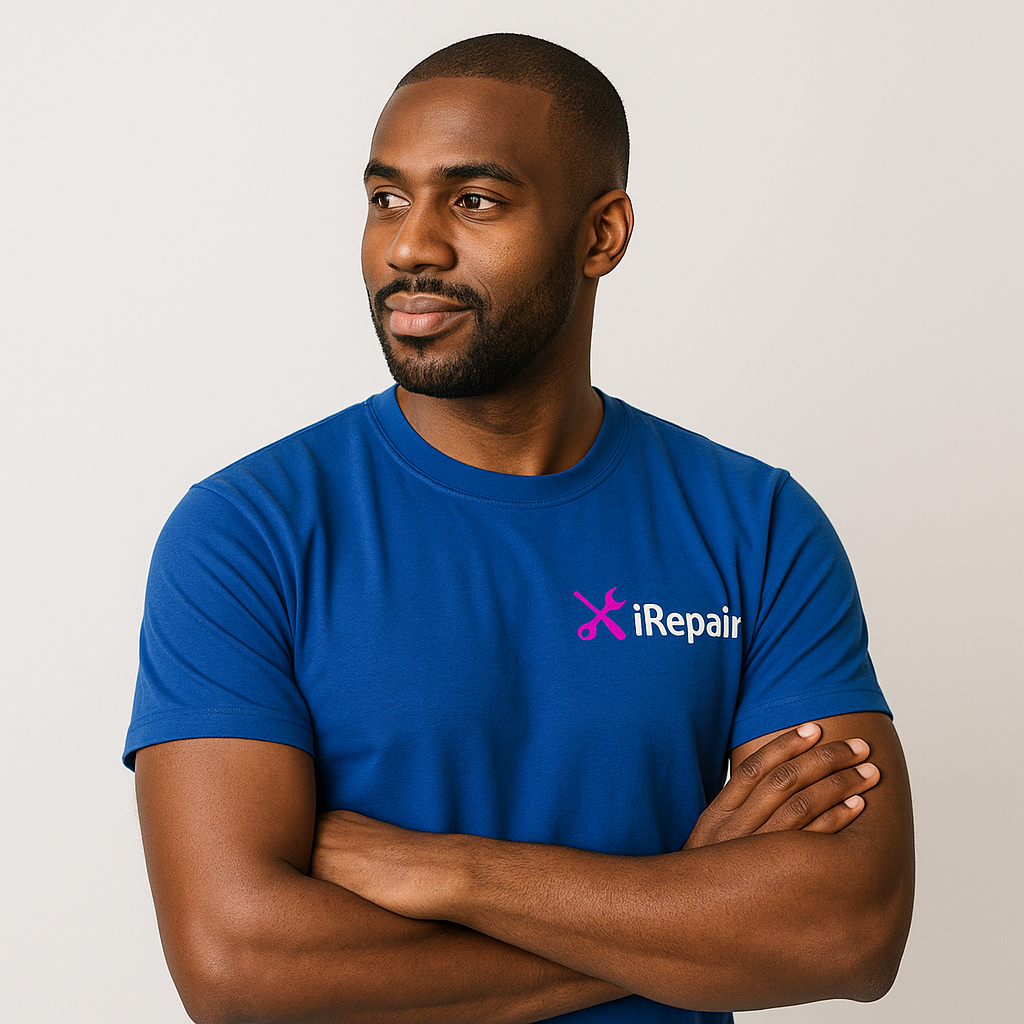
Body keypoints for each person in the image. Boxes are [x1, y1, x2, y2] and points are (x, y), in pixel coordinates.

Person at [125, 33, 914, 1024]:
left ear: (602, 235)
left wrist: (453, 872)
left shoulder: (756, 525)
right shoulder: (245, 533)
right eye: (386, 198)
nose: (410, 245)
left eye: (474, 200)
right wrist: (682, 909)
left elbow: (849, 930)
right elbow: (239, 969)